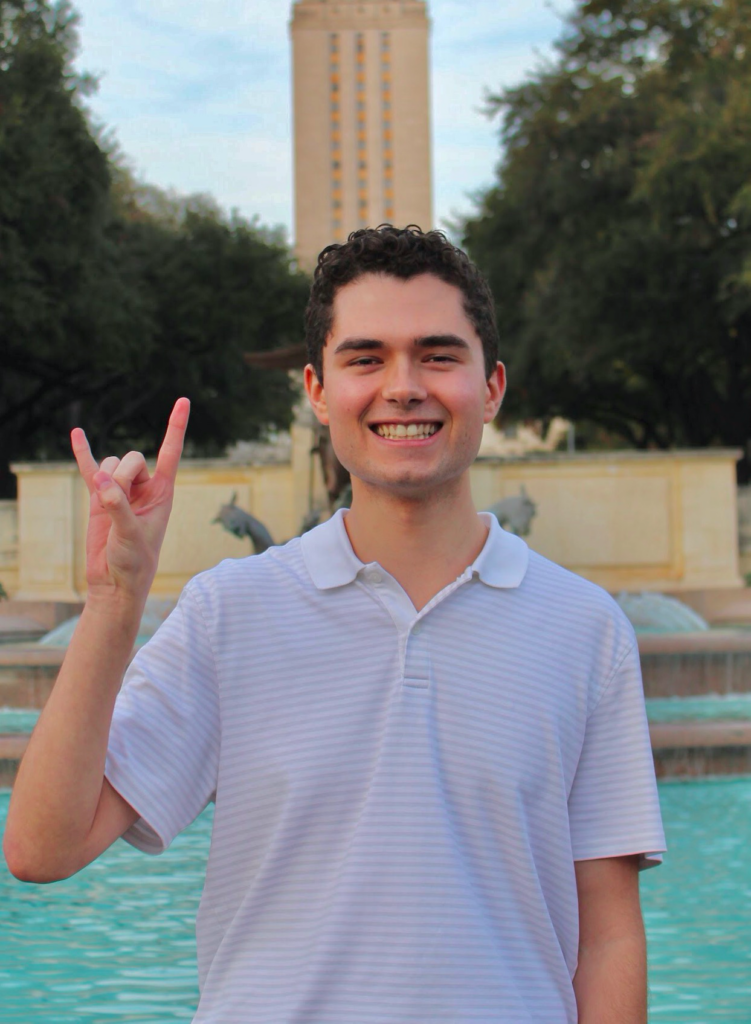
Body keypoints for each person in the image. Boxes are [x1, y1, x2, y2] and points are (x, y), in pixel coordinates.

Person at [4, 225, 665, 1023]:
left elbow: (607, 936)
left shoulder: (585, 629)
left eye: (437, 356)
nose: (403, 387)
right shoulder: (228, 613)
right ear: (317, 391)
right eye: (365, 359)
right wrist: (114, 602)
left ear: (490, 388)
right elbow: (41, 849)